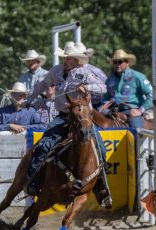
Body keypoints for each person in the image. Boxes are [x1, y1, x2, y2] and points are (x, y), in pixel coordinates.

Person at [24, 42, 111, 206]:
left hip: (81, 118)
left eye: (68, 58)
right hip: (63, 116)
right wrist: (30, 99)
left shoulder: (84, 73)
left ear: (76, 60)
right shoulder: (56, 71)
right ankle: (33, 181)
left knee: (101, 148)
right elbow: (42, 84)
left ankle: (101, 187)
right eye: (65, 57)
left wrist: (88, 86)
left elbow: (103, 88)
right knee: (43, 145)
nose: (65, 60)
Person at [101, 49, 153, 129]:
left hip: (132, 111)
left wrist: (140, 110)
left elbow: (151, 95)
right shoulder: (110, 79)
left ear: (127, 63)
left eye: (120, 62)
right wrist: (104, 105)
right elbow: (106, 97)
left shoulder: (138, 77)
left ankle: (139, 140)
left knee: (136, 131)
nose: (117, 64)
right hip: (113, 111)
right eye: (115, 62)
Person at [77, 42, 107, 107]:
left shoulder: (95, 71)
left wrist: (87, 88)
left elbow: (105, 87)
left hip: (96, 104)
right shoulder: (71, 71)